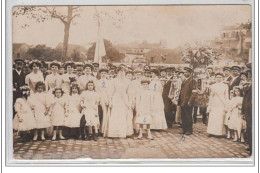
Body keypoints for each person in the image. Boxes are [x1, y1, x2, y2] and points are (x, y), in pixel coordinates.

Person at [107, 67, 129, 138]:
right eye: (120, 71)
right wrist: (110, 101)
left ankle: (121, 133)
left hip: (124, 99)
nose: (122, 73)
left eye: (123, 72)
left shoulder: (128, 81)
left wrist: (128, 101)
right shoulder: (114, 81)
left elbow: (129, 92)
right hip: (116, 98)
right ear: (118, 72)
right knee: (115, 115)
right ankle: (113, 133)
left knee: (122, 115)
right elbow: (111, 92)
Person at [207, 73, 229, 137]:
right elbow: (211, 96)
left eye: (220, 77)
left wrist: (226, 105)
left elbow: (226, 96)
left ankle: (218, 133)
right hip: (214, 102)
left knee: (220, 117)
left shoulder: (225, 86)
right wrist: (210, 105)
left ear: (222, 78)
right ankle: (211, 132)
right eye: (217, 77)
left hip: (222, 103)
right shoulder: (213, 86)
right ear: (215, 78)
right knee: (213, 117)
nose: (218, 78)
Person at [179, 67, 196, 135]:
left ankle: (189, 130)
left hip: (188, 101)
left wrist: (190, 101)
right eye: (184, 72)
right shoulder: (184, 80)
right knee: (183, 116)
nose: (185, 74)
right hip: (182, 101)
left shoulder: (192, 80)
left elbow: (194, 92)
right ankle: (184, 129)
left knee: (188, 116)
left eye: (187, 72)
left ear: (190, 73)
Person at [95, 68, 111, 137]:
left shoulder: (109, 82)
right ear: (100, 74)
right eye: (102, 73)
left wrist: (108, 99)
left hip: (106, 98)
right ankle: (97, 130)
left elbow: (110, 91)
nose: (103, 74)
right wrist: (98, 99)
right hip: (99, 98)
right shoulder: (97, 82)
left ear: (106, 74)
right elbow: (97, 91)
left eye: (105, 73)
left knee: (105, 113)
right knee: (98, 113)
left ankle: (104, 129)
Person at [242, 63, 252, 154]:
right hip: (248, 111)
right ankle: (251, 145)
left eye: (249, 73)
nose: (248, 75)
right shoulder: (249, 84)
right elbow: (245, 98)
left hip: (252, 111)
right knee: (249, 128)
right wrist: (243, 110)